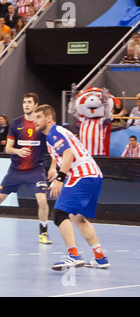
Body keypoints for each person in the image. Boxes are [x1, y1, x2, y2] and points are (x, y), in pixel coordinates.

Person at [0, 93, 52, 244]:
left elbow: (52, 149)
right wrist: (18, 151)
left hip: (36, 170)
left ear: (36, 105)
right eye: (24, 102)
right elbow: (8, 148)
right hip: (16, 170)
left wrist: (53, 167)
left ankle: (43, 233)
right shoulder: (15, 123)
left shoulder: (42, 124)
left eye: (29, 102)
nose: (26, 105)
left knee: (42, 200)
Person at [33, 104, 110, 270]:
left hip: (82, 175)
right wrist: (55, 169)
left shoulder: (53, 132)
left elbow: (69, 154)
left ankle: (73, 255)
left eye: (38, 117)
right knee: (77, 218)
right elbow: (64, 153)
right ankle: (100, 257)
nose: (34, 121)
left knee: (60, 214)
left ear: (48, 118)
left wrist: (60, 178)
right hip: (94, 175)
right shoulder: (58, 133)